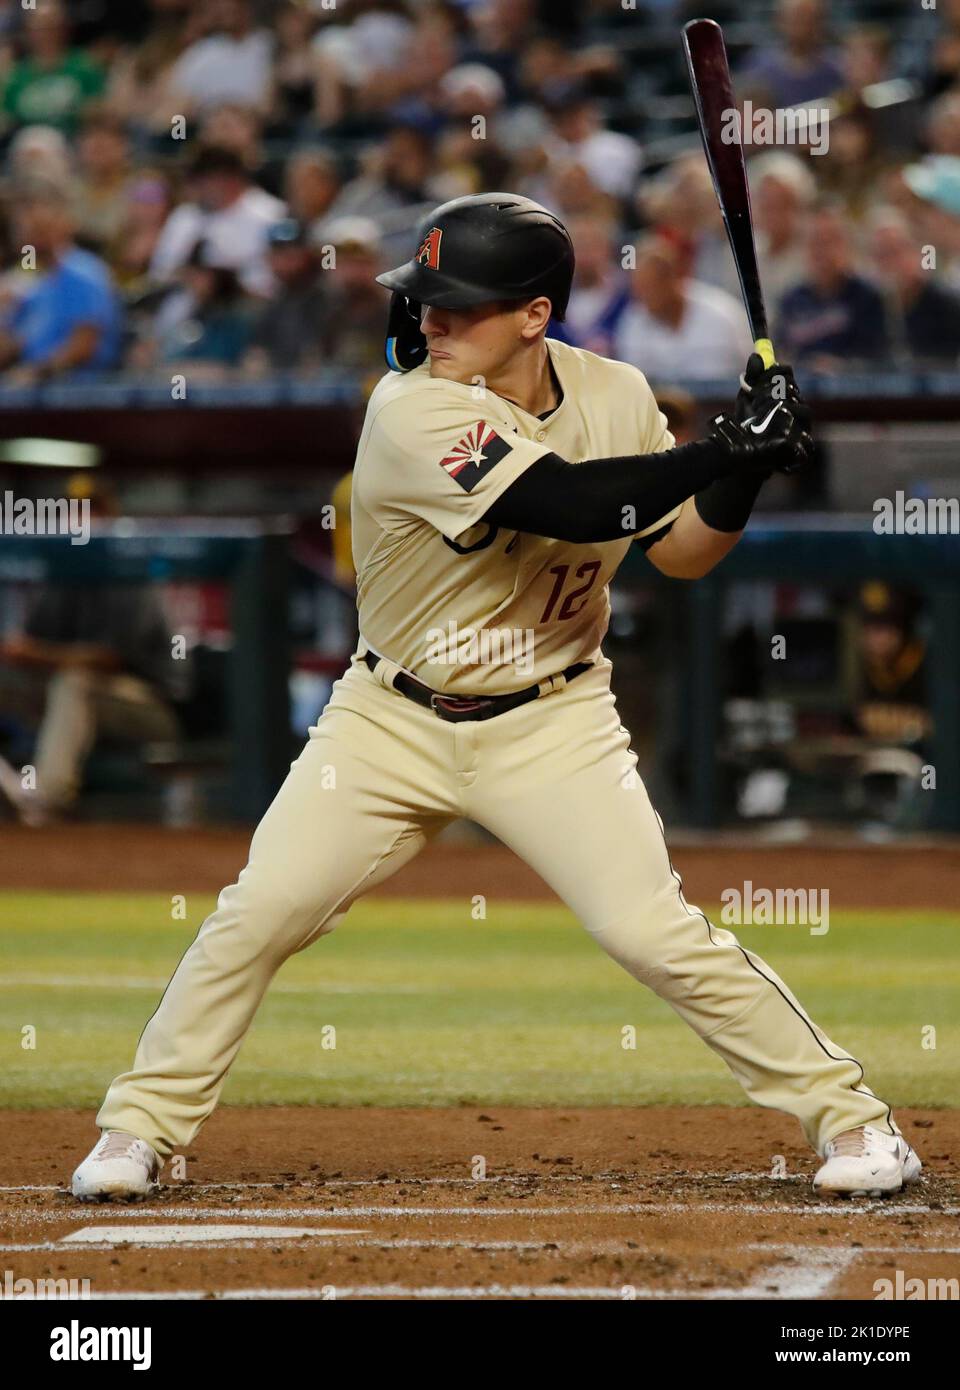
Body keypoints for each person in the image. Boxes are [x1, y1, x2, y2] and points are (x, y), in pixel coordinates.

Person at [71, 192, 920, 1204]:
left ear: (534, 314)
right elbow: (563, 502)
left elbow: (685, 552)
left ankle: (855, 1120)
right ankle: (139, 1128)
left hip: (552, 716)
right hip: (389, 716)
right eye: (425, 300)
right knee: (259, 912)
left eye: (456, 304)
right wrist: (723, 448)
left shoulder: (616, 390)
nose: (430, 320)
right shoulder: (412, 406)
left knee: (653, 932)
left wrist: (744, 472)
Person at [0, 476, 180, 828]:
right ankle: (13, 790)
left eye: (90, 512)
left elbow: (108, 659)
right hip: (70, 702)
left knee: (76, 681)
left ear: (109, 517)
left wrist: (36, 653)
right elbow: (27, 648)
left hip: (149, 707)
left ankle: (47, 800)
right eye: (72, 512)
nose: (79, 521)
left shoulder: (131, 571)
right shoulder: (64, 575)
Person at [0, 181, 122, 381]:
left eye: (39, 228)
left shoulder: (82, 272)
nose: (28, 233)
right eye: (24, 227)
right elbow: (17, 343)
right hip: (34, 389)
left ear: (62, 225)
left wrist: (36, 372)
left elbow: (84, 345)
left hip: (78, 394)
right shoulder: (36, 282)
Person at [149, 144, 285, 297]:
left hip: (248, 306)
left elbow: (278, 277)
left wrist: (224, 283)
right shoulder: (185, 216)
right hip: (187, 303)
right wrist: (189, 276)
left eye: (205, 179)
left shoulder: (270, 214)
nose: (198, 186)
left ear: (229, 178)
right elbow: (159, 273)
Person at [614, 234, 752, 382]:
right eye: (639, 289)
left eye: (650, 287)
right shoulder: (633, 319)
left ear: (674, 279)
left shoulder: (721, 316)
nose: (643, 297)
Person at [777, 205, 889, 367]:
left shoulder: (869, 297)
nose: (822, 251)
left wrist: (843, 367)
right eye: (815, 241)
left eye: (830, 241)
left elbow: (882, 362)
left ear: (848, 245)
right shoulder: (791, 300)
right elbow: (780, 355)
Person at [1, 0, 105, 136]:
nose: (46, 34)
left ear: (64, 28)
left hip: (74, 140)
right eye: (39, 28)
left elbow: (100, 109)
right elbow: (6, 118)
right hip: (27, 145)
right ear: (28, 32)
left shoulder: (84, 66)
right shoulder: (17, 75)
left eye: (52, 26)